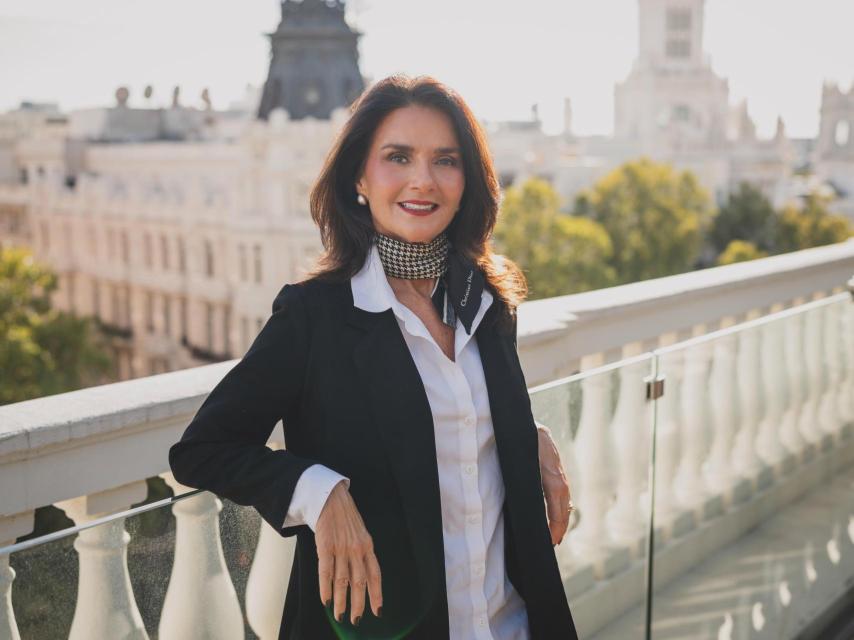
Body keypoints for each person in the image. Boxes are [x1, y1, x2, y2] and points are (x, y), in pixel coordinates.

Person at [168, 74, 578, 640]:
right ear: (359, 177)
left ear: (467, 181)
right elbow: (201, 451)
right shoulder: (316, 316)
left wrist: (518, 430)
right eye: (398, 157)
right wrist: (319, 491)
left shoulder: (486, 298)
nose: (422, 180)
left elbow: (442, 416)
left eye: (445, 160)